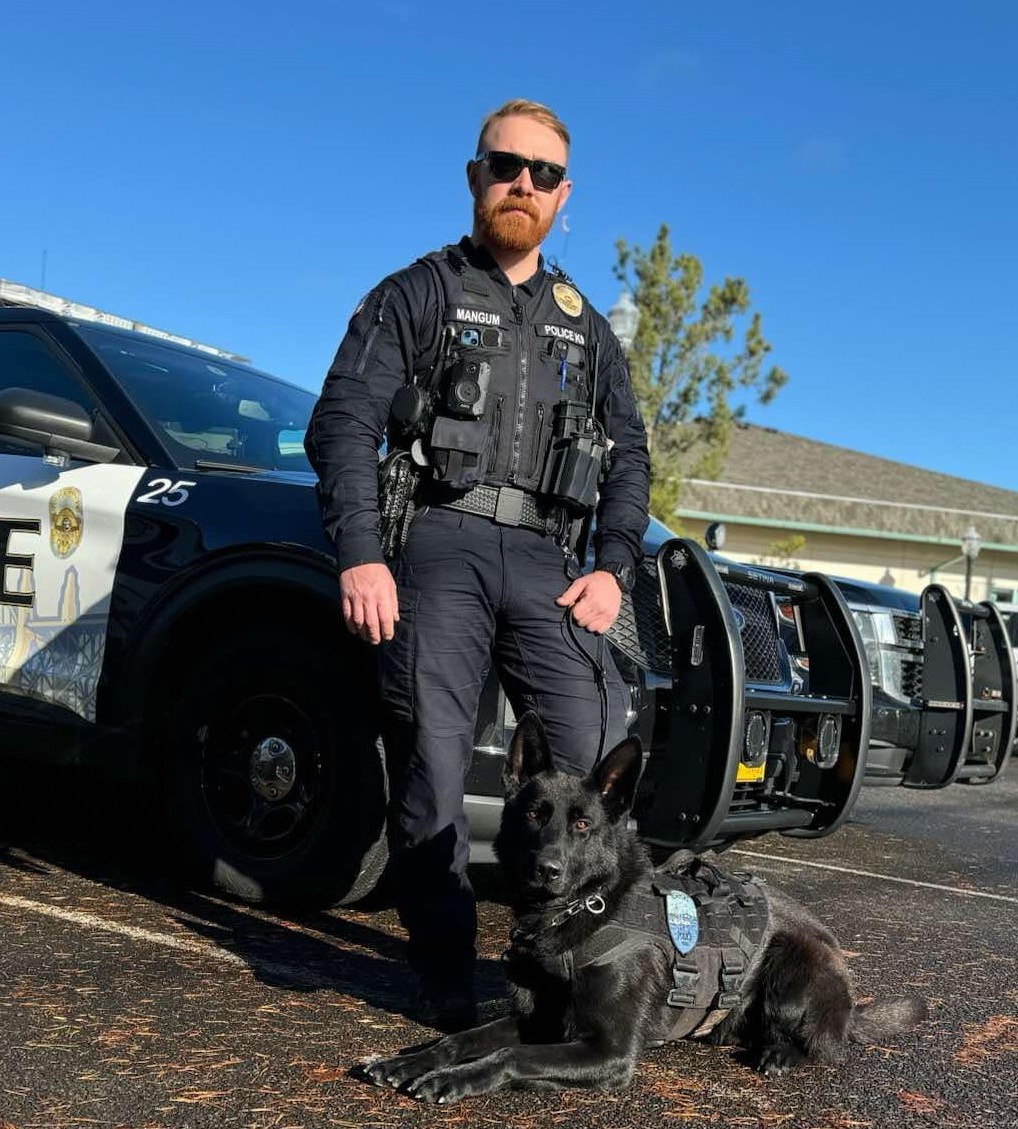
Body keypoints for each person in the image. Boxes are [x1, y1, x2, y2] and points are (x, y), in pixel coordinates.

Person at [304, 98, 650, 1029]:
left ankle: (578, 966)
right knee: (434, 761)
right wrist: (362, 554)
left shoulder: (588, 326)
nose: (522, 185)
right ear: (475, 175)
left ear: (563, 195)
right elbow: (341, 423)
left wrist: (614, 565)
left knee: (588, 762)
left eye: (542, 175)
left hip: (548, 558)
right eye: (506, 166)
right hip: (439, 547)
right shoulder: (414, 294)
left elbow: (630, 460)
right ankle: (448, 974)